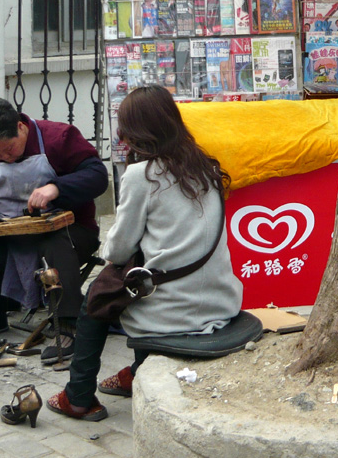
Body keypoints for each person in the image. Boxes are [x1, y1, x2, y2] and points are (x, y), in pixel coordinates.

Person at [47, 85, 242, 421]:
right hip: (221, 300)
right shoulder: (207, 167)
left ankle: (78, 396)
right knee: (136, 283)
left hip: (173, 310)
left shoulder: (142, 175)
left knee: (96, 295)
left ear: (135, 133)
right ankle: (138, 372)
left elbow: (118, 249)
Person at [0, 98, 109, 364]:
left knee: (54, 245)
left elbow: (98, 175)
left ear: (21, 127)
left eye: (9, 149)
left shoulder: (59, 138)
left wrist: (57, 188)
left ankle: (66, 326)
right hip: (11, 234)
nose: (5, 157)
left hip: (71, 230)